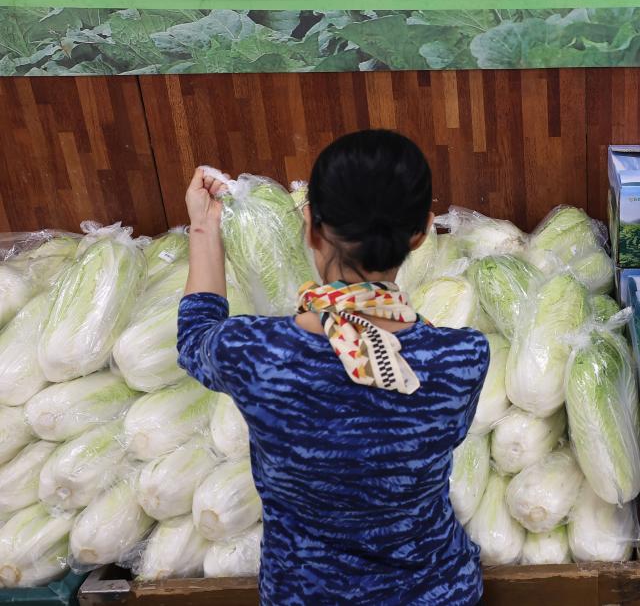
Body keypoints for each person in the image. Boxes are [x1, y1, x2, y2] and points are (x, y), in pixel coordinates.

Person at [178, 129, 489, 606]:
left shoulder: (254, 354)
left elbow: (195, 335)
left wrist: (204, 227)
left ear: (311, 227)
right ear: (422, 233)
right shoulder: (462, 358)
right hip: (436, 591)